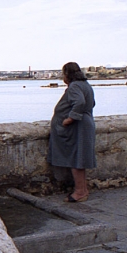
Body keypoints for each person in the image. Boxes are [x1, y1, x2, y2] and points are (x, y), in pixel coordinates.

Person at [47, 62, 96, 202]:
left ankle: (80, 192)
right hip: (85, 124)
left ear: (67, 74)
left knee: (76, 159)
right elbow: (91, 103)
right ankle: (83, 190)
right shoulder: (85, 85)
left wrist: (70, 119)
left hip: (78, 127)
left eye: (63, 74)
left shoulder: (74, 86)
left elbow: (79, 102)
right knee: (80, 158)